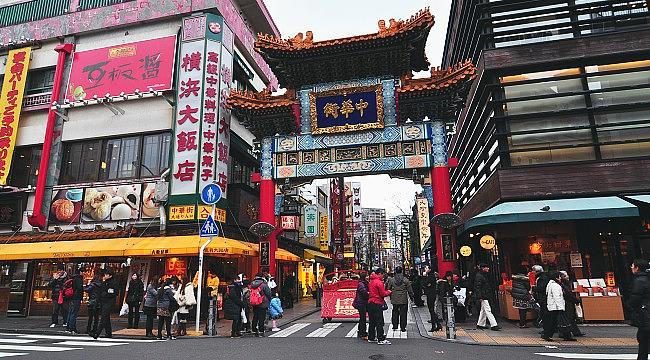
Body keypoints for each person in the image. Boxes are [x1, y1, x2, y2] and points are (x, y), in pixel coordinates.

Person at [542, 271, 575, 341]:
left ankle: (566, 336)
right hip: (556, 307)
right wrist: (561, 307)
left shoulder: (551, 284)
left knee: (556, 322)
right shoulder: (555, 286)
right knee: (558, 322)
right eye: (559, 277)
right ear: (556, 278)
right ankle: (547, 335)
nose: (560, 278)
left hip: (553, 306)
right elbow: (557, 297)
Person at [629, 259, 650, 360]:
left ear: (637, 268)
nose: (631, 268)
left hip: (645, 313)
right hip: (646, 312)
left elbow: (635, 299)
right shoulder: (646, 278)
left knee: (643, 339)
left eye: (632, 266)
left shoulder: (639, 281)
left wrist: (629, 306)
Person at [367, 268, 392, 345]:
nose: (383, 276)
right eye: (383, 275)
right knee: (379, 322)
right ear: (380, 274)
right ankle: (380, 339)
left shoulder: (371, 281)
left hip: (370, 302)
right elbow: (382, 294)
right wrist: (389, 292)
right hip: (377, 303)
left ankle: (371, 337)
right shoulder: (379, 282)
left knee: (372, 321)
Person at [385, 266, 413, 332]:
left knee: (395, 312)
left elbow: (388, 288)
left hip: (394, 299)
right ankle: (403, 327)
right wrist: (412, 297)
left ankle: (395, 326)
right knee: (403, 313)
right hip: (403, 299)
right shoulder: (405, 280)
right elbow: (410, 290)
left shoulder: (392, 280)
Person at [474, 263, 501, 331]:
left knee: (483, 310)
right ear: (483, 268)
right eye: (487, 267)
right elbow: (477, 287)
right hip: (484, 295)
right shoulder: (480, 276)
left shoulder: (482, 275)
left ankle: (480, 324)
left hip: (484, 295)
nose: (488, 269)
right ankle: (494, 325)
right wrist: (480, 296)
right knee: (488, 310)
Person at [92, 269, 117, 339]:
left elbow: (114, 293)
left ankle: (97, 333)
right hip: (103, 302)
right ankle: (108, 333)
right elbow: (101, 291)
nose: (105, 276)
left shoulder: (113, 283)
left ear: (110, 276)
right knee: (106, 318)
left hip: (109, 302)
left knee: (103, 318)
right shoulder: (104, 282)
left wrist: (105, 294)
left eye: (106, 275)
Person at [559, 271, 585, 337]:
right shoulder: (563, 284)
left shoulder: (565, 284)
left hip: (568, 303)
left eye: (567, 275)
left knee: (570, 318)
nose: (567, 277)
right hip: (566, 303)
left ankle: (575, 332)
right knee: (568, 318)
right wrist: (576, 300)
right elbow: (568, 295)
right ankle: (565, 333)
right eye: (565, 276)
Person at [250, 272, 272, 337]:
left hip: (254, 302)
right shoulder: (263, 284)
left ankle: (254, 330)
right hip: (262, 302)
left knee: (255, 316)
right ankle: (261, 331)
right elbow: (268, 293)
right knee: (261, 317)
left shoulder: (252, 284)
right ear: (262, 277)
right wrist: (269, 299)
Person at [66, 267, 84, 334]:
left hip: (72, 297)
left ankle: (68, 328)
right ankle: (72, 328)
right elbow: (80, 288)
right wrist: (83, 288)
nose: (84, 273)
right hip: (76, 298)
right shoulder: (79, 278)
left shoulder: (73, 278)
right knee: (74, 313)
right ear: (81, 272)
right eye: (83, 272)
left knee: (70, 312)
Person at [423, 266, 442, 332]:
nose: (425, 269)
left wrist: (424, 277)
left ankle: (434, 326)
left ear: (430, 269)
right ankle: (437, 324)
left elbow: (426, 284)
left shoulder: (430, 276)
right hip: (431, 294)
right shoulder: (431, 275)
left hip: (431, 294)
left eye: (426, 268)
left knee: (431, 310)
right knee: (431, 310)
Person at [352, 272, 370, 340]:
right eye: (367, 276)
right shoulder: (361, 284)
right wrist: (369, 294)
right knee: (363, 318)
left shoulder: (363, 283)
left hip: (362, 303)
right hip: (361, 303)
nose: (368, 277)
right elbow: (364, 293)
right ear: (364, 277)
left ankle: (360, 332)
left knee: (362, 318)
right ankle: (363, 333)